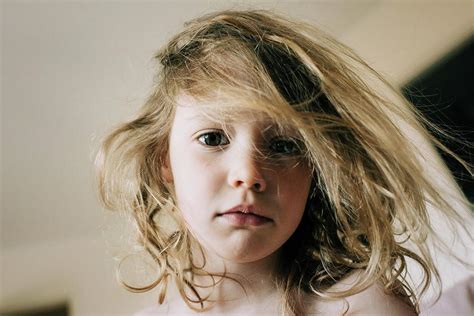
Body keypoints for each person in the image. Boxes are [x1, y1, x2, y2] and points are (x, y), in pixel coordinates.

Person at [96, 9, 473, 315]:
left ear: (315, 170)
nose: (248, 174)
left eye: (284, 145)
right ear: (165, 162)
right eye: (212, 138)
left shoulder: (365, 307)